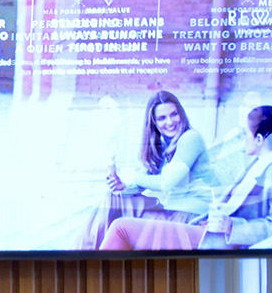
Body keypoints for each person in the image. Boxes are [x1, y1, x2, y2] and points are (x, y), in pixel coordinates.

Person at [83, 91, 215, 251]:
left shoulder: (191, 138)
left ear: (181, 114)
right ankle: (87, 251)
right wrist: (122, 186)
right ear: (153, 122)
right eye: (162, 118)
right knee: (113, 198)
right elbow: (142, 181)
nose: (170, 122)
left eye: (174, 114)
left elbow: (165, 183)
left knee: (119, 224)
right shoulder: (164, 145)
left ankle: (87, 254)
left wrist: (132, 176)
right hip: (171, 213)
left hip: (191, 218)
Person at [198, 104, 272, 250]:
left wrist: (232, 227)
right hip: (218, 239)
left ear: (259, 139)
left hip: (238, 249)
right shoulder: (258, 162)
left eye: (245, 133)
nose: (242, 138)